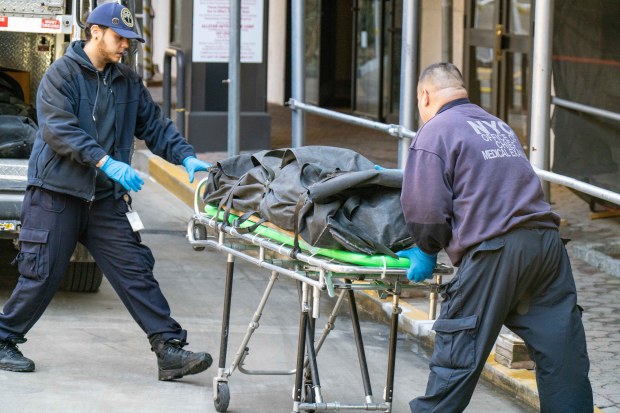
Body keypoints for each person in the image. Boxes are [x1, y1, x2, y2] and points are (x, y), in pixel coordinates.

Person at [0, 2, 213, 381]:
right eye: (119, 38)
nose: (125, 46)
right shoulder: (60, 75)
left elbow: (155, 125)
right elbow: (58, 129)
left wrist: (185, 155)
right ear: (94, 31)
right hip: (57, 193)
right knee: (41, 274)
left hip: (102, 199)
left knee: (134, 270)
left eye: (130, 41)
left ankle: (169, 349)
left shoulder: (126, 81)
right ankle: (3, 337)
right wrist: (105, 161)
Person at [397, 62, 593, 412]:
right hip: (546, 248)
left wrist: (426, 250)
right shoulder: (496, 125)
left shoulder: (436, 131)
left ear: (425, 96)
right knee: (564, 360)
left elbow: (425, 208)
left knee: (456, 360)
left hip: (497, 253)